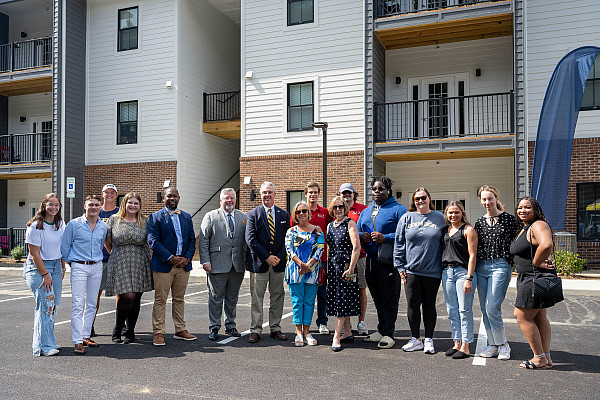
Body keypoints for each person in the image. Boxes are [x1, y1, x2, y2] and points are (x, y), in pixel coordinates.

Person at [511, 197, 562, 369]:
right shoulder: (525, 228)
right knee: (540, 316)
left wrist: (535, 261)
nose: (523, 210)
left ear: (536, 210)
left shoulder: (538, 225)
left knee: (521, 316)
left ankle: (539, 358)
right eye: (520, 208)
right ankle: (546, 358)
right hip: (530, 277)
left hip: (535, 277)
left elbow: (546, 244)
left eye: (527, 207)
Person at [357, 176, 407, 349]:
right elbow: (356, 230)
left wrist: (385, 237)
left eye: (381, 189)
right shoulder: (366, 211)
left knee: (389, 297)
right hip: (371, 260)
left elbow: (405, 234)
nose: (377, 192)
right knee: (377, 297)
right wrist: (361, 236)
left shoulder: (399, 210)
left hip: (388, 260)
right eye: (374, 189)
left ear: (389, 191)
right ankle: (380, 329)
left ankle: (389, 333)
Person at [395, 187, 445, 354]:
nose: (420, 201)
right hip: (411, 270)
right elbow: (399, 242)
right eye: (417, 199)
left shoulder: (440, 218)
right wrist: (399, 265)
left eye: (423, 197)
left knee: (429, 305)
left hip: (432, 271)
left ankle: (429, 339)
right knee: (412, 305)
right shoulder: (407, 217)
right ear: (414, 201)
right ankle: (415, 339)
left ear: (429, 198)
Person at [474, 185, 520, 360]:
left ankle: (503, 345)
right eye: (484, 199)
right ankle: (493, 345)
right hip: (481, 266)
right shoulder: (479, 222)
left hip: (501, 265)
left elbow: (519, 241)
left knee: (493, 306)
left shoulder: (509, 220)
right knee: (485, 309)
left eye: (490, 198)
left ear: (496, 199)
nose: (487, 202)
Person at [147, 187, 197, 346]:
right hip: (163, 265)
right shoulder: (155, 217)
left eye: (174, 196)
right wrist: (170, 258)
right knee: (160, 300)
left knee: (179, 299)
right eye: (169, 196)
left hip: (183, 266)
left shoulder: (187, 217)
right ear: (163, 198)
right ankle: (158, 332)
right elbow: (152, 241)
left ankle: (180, 329)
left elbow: (191, 241)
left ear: (179, 198)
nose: (172, 199)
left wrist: (187, 259)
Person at [61, 195, 108, 355]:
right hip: (79, 267)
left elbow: (101, 245)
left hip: (96, 267)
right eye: (91, 205)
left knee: (92, 304)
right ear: (84, 206)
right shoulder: (74, 224)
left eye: (96, 205)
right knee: (77, 304)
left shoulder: (103, 226)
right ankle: (77, 341)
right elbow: (65, 247)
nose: (94, 207)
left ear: (100, 207)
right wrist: (72, 263)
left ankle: (86, 336)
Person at [104, 192, 153, 344]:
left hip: (140, 260)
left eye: (136, 203)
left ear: (140, 206)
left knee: (136, 297)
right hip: (120, 260)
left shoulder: (145, 221)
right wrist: (116, 254)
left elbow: (149, 241)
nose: (132, 206)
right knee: (127, 296)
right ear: (124, 203)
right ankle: (118, 328)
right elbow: (107, 241)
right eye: (130, 202)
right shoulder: (114, 220)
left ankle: (130, 331)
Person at [199, 188, 247, 341]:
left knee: (232, 298)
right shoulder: (211, 216)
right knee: (215, 297)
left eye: (232, 198)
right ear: (220, 200)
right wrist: (205, 260)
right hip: (216, 264)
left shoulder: (243, 217)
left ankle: (230, 326)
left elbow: (247, 241)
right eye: (226, 198)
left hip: (237, 265)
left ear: (235, 200)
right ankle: (214, 327)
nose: (229, 201)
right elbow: (203, 239)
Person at [245, 181, 291, 343]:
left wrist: (278, 256)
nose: (267, 195)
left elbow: (288, 239)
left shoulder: (284, 215)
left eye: (270, 192)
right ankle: (255, 329)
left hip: (278, 263)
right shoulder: (252, 215)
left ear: (275, 194)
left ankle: (275, 328)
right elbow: (251, 240)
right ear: (261, 195)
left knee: (277, 296)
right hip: (259, 264)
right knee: (256, 298)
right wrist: (267, 257)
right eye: (264, 192)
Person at [23, 193, 66, 356]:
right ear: (44, 205)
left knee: (52, 307)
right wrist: (45, 274)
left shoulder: (60, 223)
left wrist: (61, 264)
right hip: (38, 268)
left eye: (57, 205)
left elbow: (61, 245)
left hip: (55, 266)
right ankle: (43, 347)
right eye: (51, 204)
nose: (54, 208)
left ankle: (48, 341)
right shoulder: (35, 225)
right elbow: (34, 254)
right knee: (45, 307)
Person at [290, 182, 332, 335]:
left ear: (318, 194)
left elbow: (328, 233)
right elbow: (292, 237)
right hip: (299, 264)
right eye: (310, 192)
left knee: (321, 294)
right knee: (300, 298)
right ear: (306, 194)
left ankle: (322, 322)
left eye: (315, 192)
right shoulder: (298, 210)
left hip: (321, 260)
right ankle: (301, 329)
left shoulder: (325, 212)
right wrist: (301, 263)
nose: (313, 195)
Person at [441, 201, 478, 359]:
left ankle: (466, 345)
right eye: (450, 213)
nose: (453, 215)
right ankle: (456, 342)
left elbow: (473, 255)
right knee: (452, 310)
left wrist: (469, 278)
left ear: (462, 213)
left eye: (456, 212)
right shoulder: (446, 229)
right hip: (447, 272)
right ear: (446, 214)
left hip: (463, 273)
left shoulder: (468, 230)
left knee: (464, 310)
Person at [284, 201, 324, 346]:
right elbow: (290, 250)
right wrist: (301, 264)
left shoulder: (317, 230)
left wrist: (308, 265)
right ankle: (298, 333)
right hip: (295, 271)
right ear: (295, 215)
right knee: (297, 302)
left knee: (309, 302)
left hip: (312, 272)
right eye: (298, 211)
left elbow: (320, 248)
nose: (302, 214)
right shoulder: (291, 232)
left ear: (309, 213)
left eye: (304, 211)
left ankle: (307, 332)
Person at [326, 196, 361, 352]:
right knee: (339, 299)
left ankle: (336, 337)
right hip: (333, 268)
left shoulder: (350, 223)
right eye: (335, 207)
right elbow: (328, 248)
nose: (338, 209)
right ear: (332, 210)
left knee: (341, 300)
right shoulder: (329, 226)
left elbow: (356, 247)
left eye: (341, 206)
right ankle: (347, 333)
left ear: (345, 208)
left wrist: (352, 267)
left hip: (346, 268)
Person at [339, 183, 368, 335]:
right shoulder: (337, 211)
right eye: (344, 193)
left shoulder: (362, 209)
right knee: (346, 291)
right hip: (343, 259)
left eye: (349, 193)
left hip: (361, 256)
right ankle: (347, 325)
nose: (346, 196)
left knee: (361, 289)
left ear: (353, 194)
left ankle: (361, 322)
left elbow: (369, 229)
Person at [91, 183, 119, 337]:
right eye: (106, 192)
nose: (109, 195)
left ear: (116, 195)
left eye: (112, 192)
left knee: (119, 294)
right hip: (98, 260)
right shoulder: (95, 211)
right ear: (102, 194)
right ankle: (90, 324)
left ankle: (120, 325)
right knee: (95, 294)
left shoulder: (120, 212)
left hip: (115, 259)